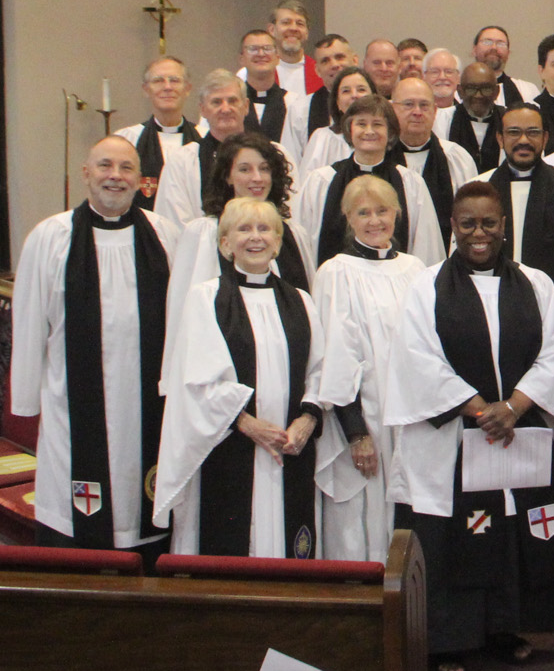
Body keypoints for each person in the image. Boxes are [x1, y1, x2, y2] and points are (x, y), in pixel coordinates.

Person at [385, 182, 554, 671]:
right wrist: (477, 407)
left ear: (504, 227)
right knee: (454, 536)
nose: (479, 233)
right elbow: (416, 358)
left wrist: (514, 405)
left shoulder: (536, 284)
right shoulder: (426, 286)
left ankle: (504, 629)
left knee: (507, 530)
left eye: (489, 223)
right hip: (451, 441)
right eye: (468, 223)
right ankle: (446, 640)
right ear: (452, 226)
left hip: (514, 433)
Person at [11, 136, 180, 560]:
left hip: (149, 404)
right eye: (105, 166)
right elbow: (29, 320)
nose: (114, 176)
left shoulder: (164, 235)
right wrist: (26, 398)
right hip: (74, 401)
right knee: (76, 492)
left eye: (126, 169)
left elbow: (183, 321)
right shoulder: (51, 237)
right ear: (86, 172)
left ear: (141, 182)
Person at [154, 197, 325, 558]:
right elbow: (195, 380)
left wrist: (308, 419)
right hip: (231, 445)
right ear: (225, 243)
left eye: (265, 229)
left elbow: (321, 370)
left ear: (279, 241)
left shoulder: (301, 302)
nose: (255, 238)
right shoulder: (206, 298)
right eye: (243, 229)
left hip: (289, 446)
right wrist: (247, 423)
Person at [312, 174, 426, 562]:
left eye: (382, 210)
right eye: (364, 213)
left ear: (397, 213)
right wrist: (356, 433)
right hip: (364, 423)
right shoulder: (336, 271)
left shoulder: (416, 270)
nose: (375, 220)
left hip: (411, 420)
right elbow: (335, 356)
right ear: (348, 218)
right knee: (363, 519)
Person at [163, 132, 311, 399]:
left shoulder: (294, 234)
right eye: (245, 169)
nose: (257, 178)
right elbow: (183, 317)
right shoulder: (204, 233)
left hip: (289, 379)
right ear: (227, 176)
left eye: (264, 169)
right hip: (223, 385)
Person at [292, 94, 443, 273]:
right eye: (361, 124)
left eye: (377, 124)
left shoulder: (410, 183)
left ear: (391, 132)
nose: (369, 131)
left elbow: (425, 246)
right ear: (349, 129)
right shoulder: (321, 181)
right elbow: (303, 244)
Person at [479, 103, 554, 286]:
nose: (523, 140)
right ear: (500, 139)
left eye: (533, 132)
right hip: (490, 300)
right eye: (513, 132)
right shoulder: (478, 189)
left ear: (545, 138)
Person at [153, 71, 256, 230]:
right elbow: (173, 226)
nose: (225, 109)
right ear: (202, 109)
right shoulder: (182, 162)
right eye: (216, 102)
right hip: (202, 250)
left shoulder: (273, 154)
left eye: (233, 101)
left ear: (246, 106)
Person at [389, 76, 479, 239]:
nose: (417, 112)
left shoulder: (457, 158)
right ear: (391, 109)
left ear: (435, 111)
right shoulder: (381, 159)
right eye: (408, 104)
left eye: (424, 105)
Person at [129, 56, 198, 213]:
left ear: (187, 88)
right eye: (158, 81)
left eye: (174, 80)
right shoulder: (128, 140)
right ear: (146, 89)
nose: (167, 87)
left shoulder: (204, 138)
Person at [238, 29, 308, 170]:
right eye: (253, 49)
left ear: (277, 57)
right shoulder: (230, 105)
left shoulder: (296, 104)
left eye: (267, 49)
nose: (261, 54)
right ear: (242, 58)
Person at [296, 68, 378, 182]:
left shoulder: (384, 136)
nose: (354, 95)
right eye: (346, 91)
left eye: (361, 89)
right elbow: (307, 183)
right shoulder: (322, 138)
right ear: (337, 102)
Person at [446, 61, 505, 175]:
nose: (478, 95)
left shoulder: (508, 119)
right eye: (471, 88)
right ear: (460, 91)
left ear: (496, 91)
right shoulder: (442, 120)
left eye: (486, 88)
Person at [301, 33, 356, 141]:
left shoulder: (376, 106)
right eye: (325, 61)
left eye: (340, 57)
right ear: (317, 70)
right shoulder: (301, 110)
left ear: (355, 60)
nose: (334, 65)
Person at [267, 1, 322, 101]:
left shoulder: (321, 74)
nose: (293, 28)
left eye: (300, 24)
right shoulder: (255, 73)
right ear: (272, 30)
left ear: (306, 32)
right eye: (286, 22)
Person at [470, 25, 537, 106]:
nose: (494, 47)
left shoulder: (527, 90)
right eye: (487, 42)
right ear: (474, 50)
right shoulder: (458, 91)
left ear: (508, 53)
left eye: (500, 43)